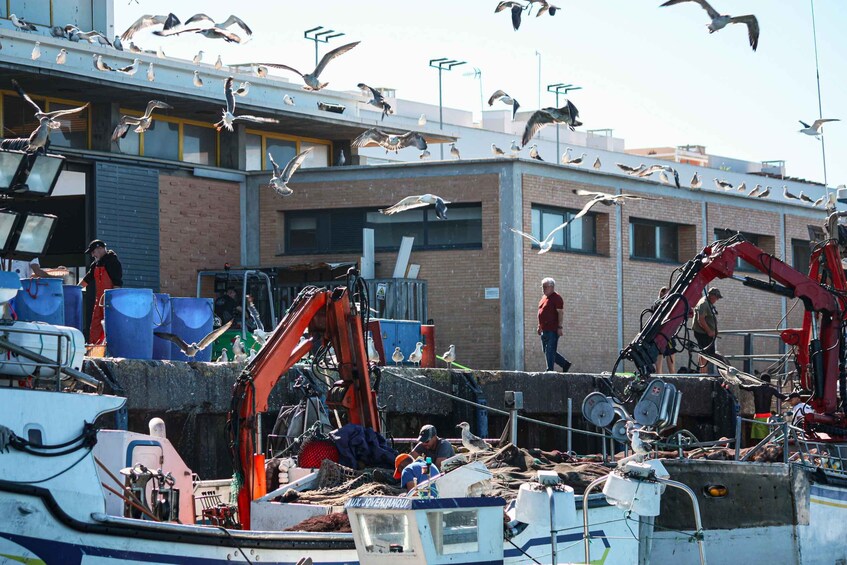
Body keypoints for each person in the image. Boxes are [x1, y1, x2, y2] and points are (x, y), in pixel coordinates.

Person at [79, 240, 122, 344]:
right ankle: (94, 349)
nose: (92, 255)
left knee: (110, 326)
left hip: (110, 301)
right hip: (99, 301)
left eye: (93, 252)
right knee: (95, 326)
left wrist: (113, 303)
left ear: (100, 249)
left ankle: (111, 348)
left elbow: (117, 283)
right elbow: (87, 279)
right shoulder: (96, 264)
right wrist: (74, 290)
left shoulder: (113, 262)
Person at [739, 373, 787, 444]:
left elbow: (743, 387)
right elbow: (781, 396)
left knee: (758, 440)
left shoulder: (755, 388)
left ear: (760, 380)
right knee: (767, 438)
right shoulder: (771, 390)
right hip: (768, 417)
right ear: (769, 381)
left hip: (758, 417)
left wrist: (738, 381)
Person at [537, 277, 571, 372]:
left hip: (553, 329)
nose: (543, 289)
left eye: (545, 287)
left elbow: (560, 313)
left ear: (551, 287)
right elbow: (540, 312)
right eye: (542, 287)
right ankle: (565, 364)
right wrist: (539, 326)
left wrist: (560, 327)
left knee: (550, 350)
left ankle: (550, 370)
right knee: (547, 351)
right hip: (544, 329)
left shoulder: (557, 298)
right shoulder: (543, 299)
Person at [692, 288, 722, 374]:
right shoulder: (704, 303)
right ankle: (704, 373)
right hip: (703, 333)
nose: (717, 299)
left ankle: (703, 372)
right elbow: (701, 319)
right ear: (711, 295)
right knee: (705, 353)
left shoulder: (708, 303)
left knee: (704, 352)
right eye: (716, 297)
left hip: (706, 333)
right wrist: (709, 331)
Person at [653, 286, 675, 374]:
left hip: (668, 335)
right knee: (659, 369)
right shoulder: (658, 304)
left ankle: (674, 382)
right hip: (659, 335)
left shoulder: (670, 303)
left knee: (672, 368)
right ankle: (660, 384)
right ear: (662, 293)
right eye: (668, 293)